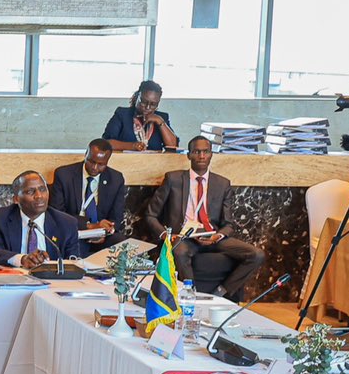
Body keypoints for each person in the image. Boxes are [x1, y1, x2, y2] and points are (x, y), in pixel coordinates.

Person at [140, 136, 265, 301]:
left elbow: (228, 224)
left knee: (257, 255)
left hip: (212, 236)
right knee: (179, 250)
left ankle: (222, 293)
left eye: (205, 152)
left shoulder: (222, 184)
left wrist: (217, 236)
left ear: (211, 155)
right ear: (189, 155)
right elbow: (150, 215)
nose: (201, 156)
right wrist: (168, 237)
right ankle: (191, 295)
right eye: (196, 152)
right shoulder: (173, 179)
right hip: (183, 236)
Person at [0, 171, 84, 268]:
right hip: (13, 281)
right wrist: (22, 259)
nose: (39, 196)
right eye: (31, 191)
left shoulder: (66, 223)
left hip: (54, 283)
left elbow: (73, 262)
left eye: (43, 189)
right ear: (16, 199)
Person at [49, 140, 127, 244]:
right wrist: (89, 226)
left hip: (102, 234)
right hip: (75, 231)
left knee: (120, 242)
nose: (95, 168)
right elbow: (57, 213)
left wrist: (105, 232)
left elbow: (117, 217)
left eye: (101, 164)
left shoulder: (116, 179)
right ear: (86, 155)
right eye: (91, 161)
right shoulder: (64, 175)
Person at [102, 80, 179, 152]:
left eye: (153, 104)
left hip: (155, 164)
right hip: (124, 163)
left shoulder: (162, 117)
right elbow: (106, 143)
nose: (148, 107)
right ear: (136, 97)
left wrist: (160, 122)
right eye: (144, 102)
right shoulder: (122, 114)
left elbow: (173, 146)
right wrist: (132, 146)